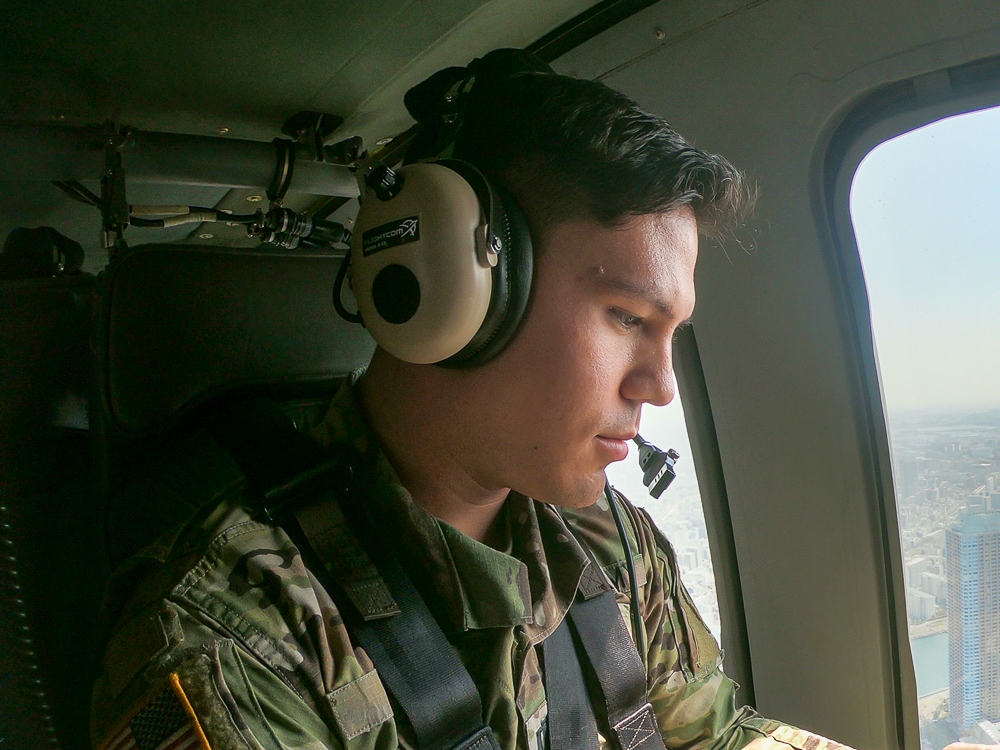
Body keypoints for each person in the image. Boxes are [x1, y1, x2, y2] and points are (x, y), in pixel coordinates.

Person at [87, 49, 937, 750]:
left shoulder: (610, 543)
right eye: (628, 317)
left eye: (670, 332)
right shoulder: (243, 640)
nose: (662, 387)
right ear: (460, 285)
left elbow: (713, 736)